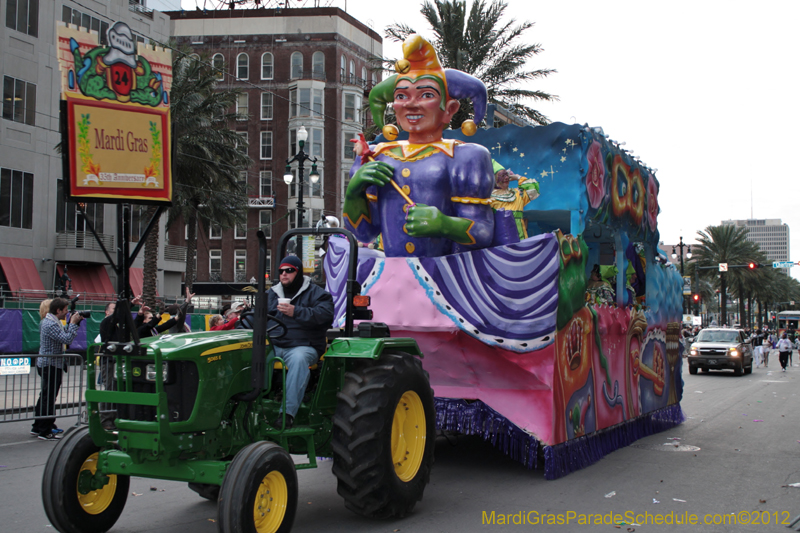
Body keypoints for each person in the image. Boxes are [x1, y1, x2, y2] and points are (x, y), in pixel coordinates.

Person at [343, 34, 495, 257]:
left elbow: (482, 232)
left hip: (445, 281)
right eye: (402, 96)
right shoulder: (376, 155)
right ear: (394, 106)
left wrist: (444, 224)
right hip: (393, 280)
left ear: (449, 109)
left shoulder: (466, 156)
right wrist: (354, 192)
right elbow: (364, 233)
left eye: (426, 94)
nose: (411, 105)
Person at [266, 255, 334, 428]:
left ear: (298, 272)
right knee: (249, 354)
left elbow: (325, 316)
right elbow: (256, 318)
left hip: (303, 345)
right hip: (274, 345)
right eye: (281, 271)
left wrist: (296, 311)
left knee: (299, 359)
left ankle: (287, 414)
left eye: (289, 271)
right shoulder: (271, 295)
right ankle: (250, 404)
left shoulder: (318, 294)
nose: (284, 274)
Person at [32, 298, 84, 440]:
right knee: (48, 397)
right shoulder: (50, 323)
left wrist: (74, 324)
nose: (67, 312)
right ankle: (44, 430)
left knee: (45, 396)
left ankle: (39, 426)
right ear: (58, 310)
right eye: (65, 310)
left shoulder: (51, 321)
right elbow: (66, 339)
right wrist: (73, 324)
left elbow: (62, 335)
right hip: (51, 364)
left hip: (50, 363)